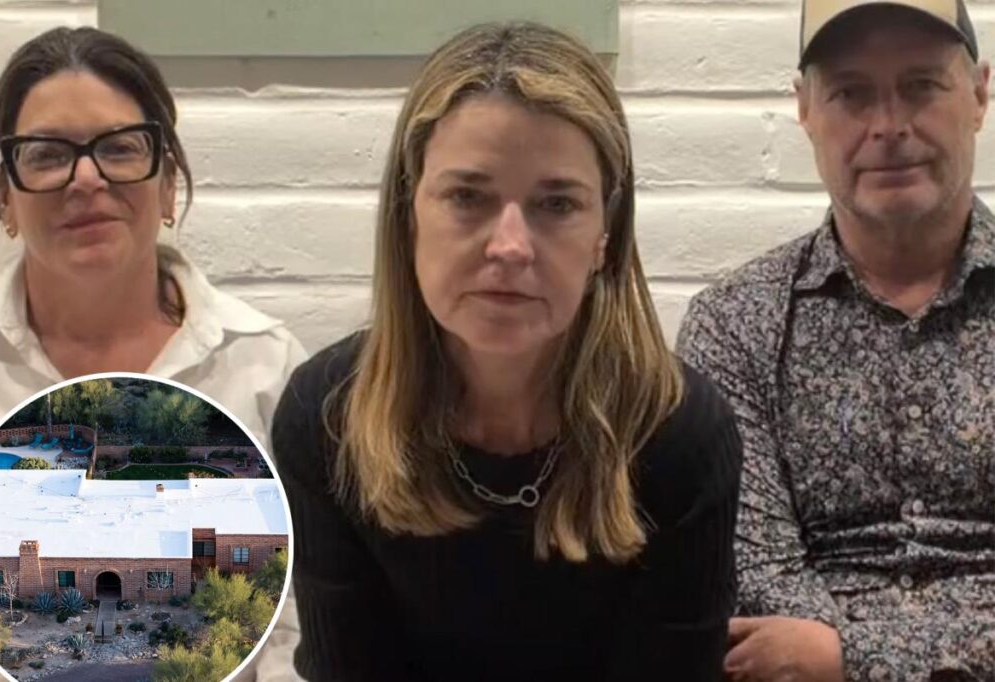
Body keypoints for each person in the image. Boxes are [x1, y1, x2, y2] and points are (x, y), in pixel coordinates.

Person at [273, 21, 742, 682]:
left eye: (557, 203)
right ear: (410, 215)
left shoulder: (681, 431)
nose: (511, 246)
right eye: (468, 197)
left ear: (605, 235)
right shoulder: (325, 415)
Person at [0, 27, 305, 682]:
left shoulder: (265, 368)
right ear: (4, 195)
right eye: (47, 155)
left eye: (120, 148)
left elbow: (301, 622)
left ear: (169, 181)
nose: (87, 178)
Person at [676, 1, 995, 680]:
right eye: (851, 93)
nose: (888, 125)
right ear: (804, 109)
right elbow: (755, 576)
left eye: (920, 86)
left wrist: (847, 658)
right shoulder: (733, 324)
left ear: (979, 95)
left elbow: (805, 651)